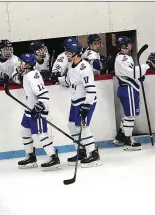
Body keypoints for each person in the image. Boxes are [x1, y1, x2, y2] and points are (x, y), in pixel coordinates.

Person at [11, 53, 61, 171]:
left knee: (41, 134)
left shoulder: (32, 75)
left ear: (28, 64)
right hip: (29, 110)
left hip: (37, 109)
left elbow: (43, 94)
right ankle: (31, 157)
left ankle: (54, 158)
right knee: (25, 132)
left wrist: (39, 107)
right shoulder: (28, 73)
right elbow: (18, 78)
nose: (20, 63)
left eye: (22, 62)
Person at [58, 38, 101, 168]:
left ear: (76, 52)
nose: (67, 54)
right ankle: (81, 150)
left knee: (84, 127)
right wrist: (57, 78)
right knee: (72, 125)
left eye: (69, 52)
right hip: (76, 101)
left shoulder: (84, 67)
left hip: (85, 101)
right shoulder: (71, 65)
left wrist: (87, 105)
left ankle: (93, 154)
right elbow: (70, 81)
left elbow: (91, 89)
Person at [113, 36, 155, 150]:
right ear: (124, 46)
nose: (131, 45)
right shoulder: (123, 59)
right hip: (128, 89)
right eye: (129, 43)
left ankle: (120, 137)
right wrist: (147, 65)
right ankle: (128, 141)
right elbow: (132, 72)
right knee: (130, 115)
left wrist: (139, 77)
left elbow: (131, 74)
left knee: (128, 114)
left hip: (127, 88)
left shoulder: (124, 57)